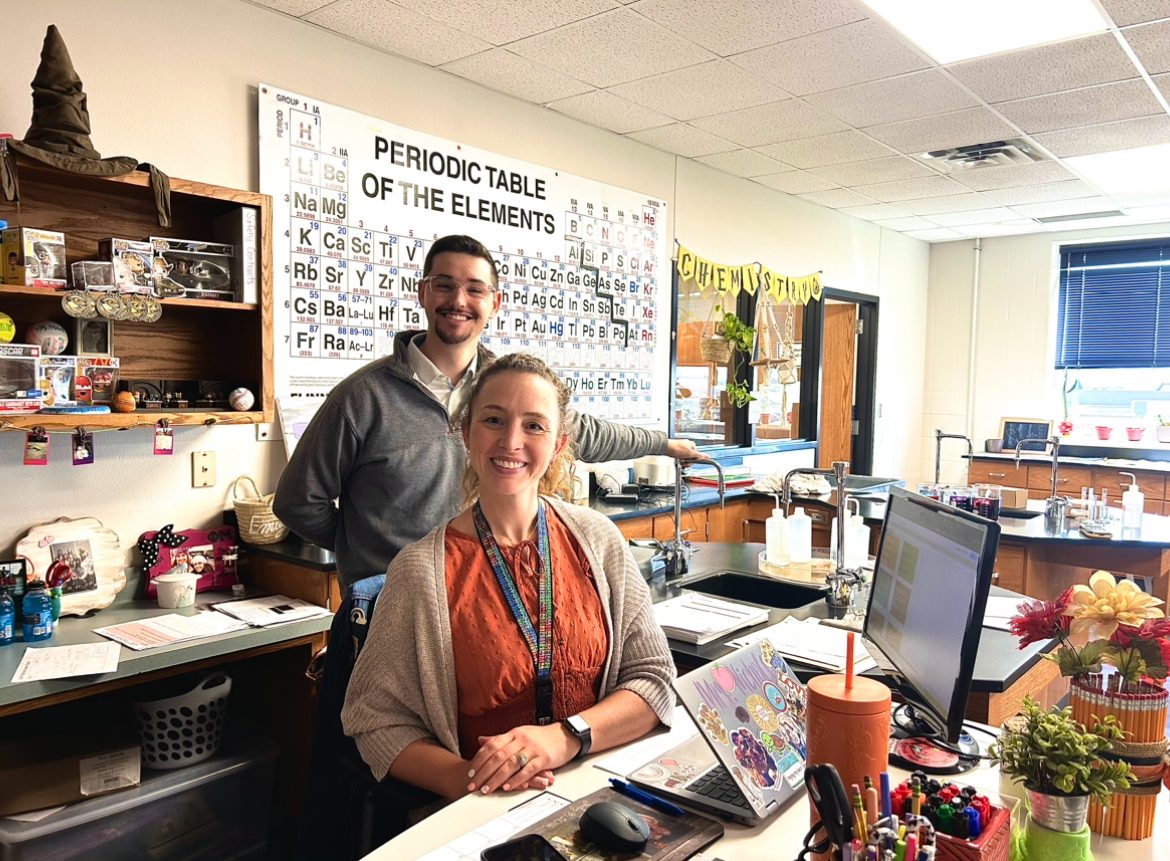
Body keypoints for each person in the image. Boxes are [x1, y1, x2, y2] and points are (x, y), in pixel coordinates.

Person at [274, 234, 699, 589]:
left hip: (492, 595)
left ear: (495, 302)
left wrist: (663, 443)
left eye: (475, 289)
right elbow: (298, 502)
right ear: (423, 292)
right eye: (444, 285)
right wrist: (366, 550)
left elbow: (585, 432)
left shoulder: (508, 387)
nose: (458, 300)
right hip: (390, 604)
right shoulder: (362, 397)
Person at [341, 353, 675, 800]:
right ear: (466, 432)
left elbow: (654, 679)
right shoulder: (420, 571)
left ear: (558, 444)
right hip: (482, 807)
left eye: (534, 425)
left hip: (600, 791)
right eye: (493, 420)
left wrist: (565, 737)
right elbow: (377, 722)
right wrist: (473, 782)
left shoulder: (597, 539)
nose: (511, 441)